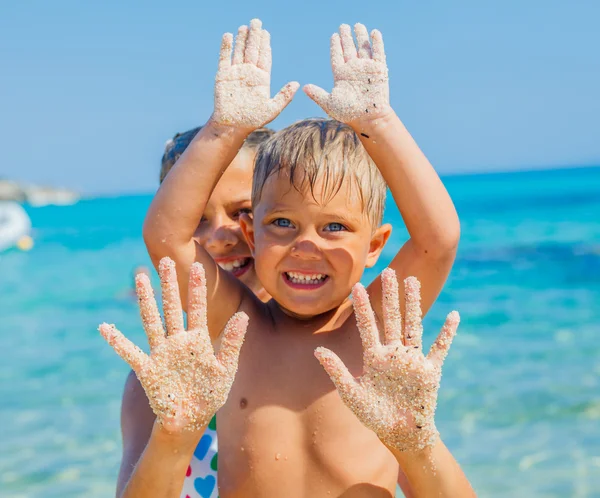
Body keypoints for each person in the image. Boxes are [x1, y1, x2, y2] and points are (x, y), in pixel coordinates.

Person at [105, 19, 475, 497]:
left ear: (376, 247)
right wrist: (225, 129)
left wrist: (378, 122)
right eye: (282, 223)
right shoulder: (238, 329)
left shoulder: (377, 328)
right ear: (252, 235)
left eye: (335, 227)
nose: (307, 245)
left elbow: (437, 240)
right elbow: (166, 237)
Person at [116, 126, 274, 498]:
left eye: (244, 212)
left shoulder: (337, 351)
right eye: (196, 219)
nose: (220, 235)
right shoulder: (153, 387)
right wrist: (174, 434)